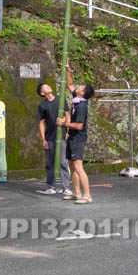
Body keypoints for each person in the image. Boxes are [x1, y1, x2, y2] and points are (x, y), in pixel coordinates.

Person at [57, 63, 95, 204]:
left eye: (81, 87)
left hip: (78, 138)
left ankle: (88, 196)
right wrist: (68, 70)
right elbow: (69, 84)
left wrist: (63, 123)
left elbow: (79, 126)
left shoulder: (82, 106)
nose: (78, 87)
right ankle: (77, 193)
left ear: (83, 93)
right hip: (71, 137)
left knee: (78, 166)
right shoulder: (76, 99)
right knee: (71, 165)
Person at [36, 82, 72, 196]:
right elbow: (41, 123)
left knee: (63, 162)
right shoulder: (43, 105)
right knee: (49, 164)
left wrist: (68, 130)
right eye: (45, 87)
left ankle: (66, 187)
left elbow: (67, 115)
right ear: (42, 93)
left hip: (61, 136)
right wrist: (43, 139)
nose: (48, 86)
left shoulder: (60, 99)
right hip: (50, 138)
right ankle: (50, 187)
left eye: (48, 85)